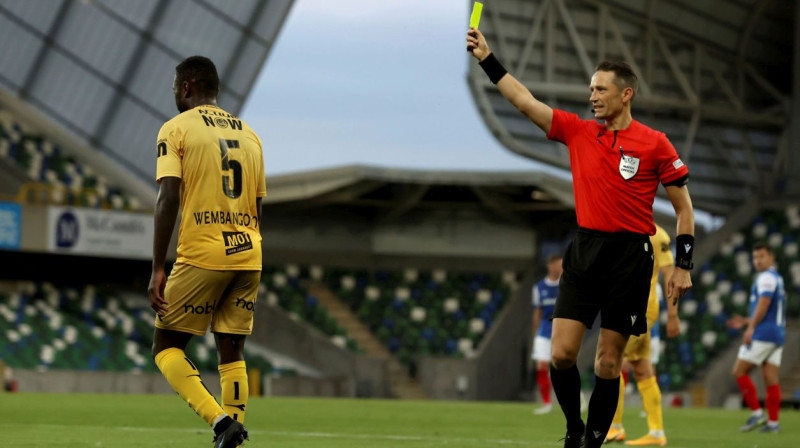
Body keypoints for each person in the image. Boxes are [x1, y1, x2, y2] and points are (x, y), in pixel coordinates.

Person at [466, 29, 695, 448]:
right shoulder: (578, 131)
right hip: (585, 250)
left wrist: (683, 266)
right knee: (561, 354)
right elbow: (524, 101)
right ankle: (574, 425)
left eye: (601, 89)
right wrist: (487, 59)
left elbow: (684, 210)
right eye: (591, 89)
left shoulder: (655, 144)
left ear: (626, 94)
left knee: (608, 362)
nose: (593, 96)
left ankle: (592, 440)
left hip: (630, 257)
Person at [147, 56, 267, 448]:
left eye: (174, 88)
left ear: (186, 87)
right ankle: (234, 434)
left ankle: (220, 422)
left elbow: (168, 198)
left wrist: (158, 267)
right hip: (249, 252)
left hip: (203, 253)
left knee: (166, 346)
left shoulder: (176, 128)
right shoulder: (250, 135)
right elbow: (258, 205)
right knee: (232, 350)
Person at [606, 225, 680, 446]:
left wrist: (673, 315)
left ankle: (614, 426)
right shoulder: (623, 230)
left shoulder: (658, 235)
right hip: (627, 306)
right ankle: (656, 432)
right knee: (641, 368)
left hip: (641, 308)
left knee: (611, 362)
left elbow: (670, 275)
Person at [727, 243, 786, 433]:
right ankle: (773, 423)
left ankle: (757, 413)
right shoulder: (777, 278)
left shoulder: (766, 277)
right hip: (777, 334)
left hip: (763, 334)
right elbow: (771, 311)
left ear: (771, 258)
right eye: (755, 257)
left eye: (762, 256)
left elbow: (764, 303)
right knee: (771, 379)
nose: (758, 261)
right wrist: (747, 321)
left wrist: (751, 328)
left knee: (739, 371)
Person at [531, 254, 563, 415]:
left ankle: (576, 398)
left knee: (563, 367)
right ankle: (546, 403)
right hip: (544, 331)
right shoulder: (539, 288)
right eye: (559, 265)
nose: (561, 268)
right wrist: (535, 333)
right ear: (550, 266)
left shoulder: (566, 285)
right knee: (541, 365)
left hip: (562, 332)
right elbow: (537, 312)